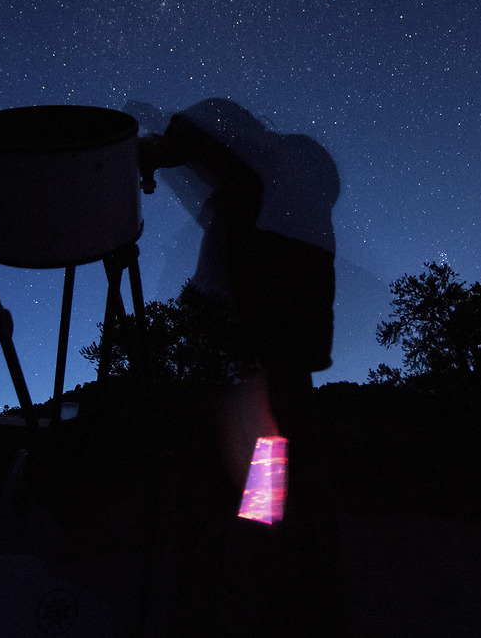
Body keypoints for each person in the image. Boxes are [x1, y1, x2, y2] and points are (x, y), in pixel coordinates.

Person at [136, 98, 347, 635]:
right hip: (277, 355)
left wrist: (160, 148)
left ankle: (247, 588)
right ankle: (284, 585)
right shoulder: (300, 209)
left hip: (249, 354)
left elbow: (210, 126)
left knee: (250, 469)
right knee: (278, 464)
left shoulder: (268, 174)